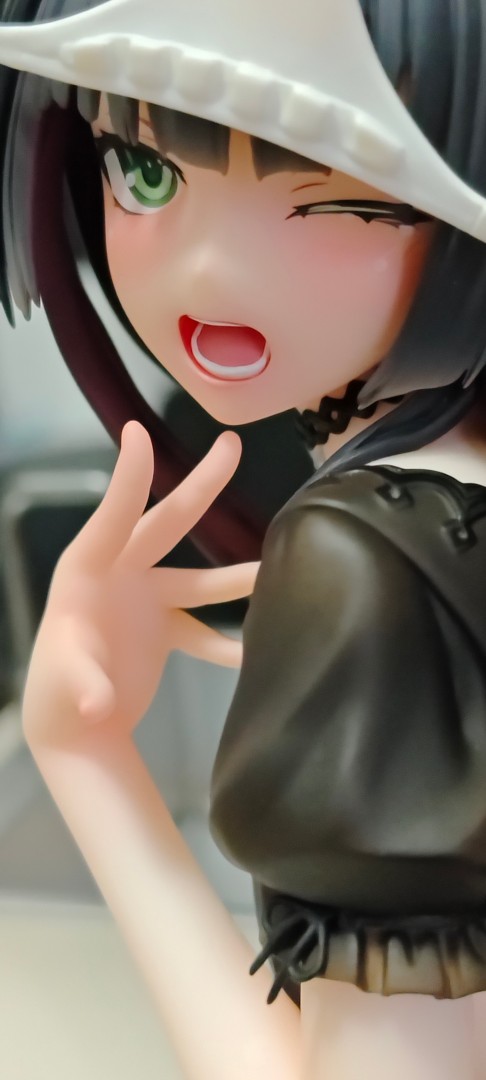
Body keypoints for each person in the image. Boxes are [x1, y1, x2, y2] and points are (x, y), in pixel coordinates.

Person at [1, 0, 486, 1076]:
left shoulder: (372, 562)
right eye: (144, 170)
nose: (208, 275)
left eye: (343, 195)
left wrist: (85, 759)